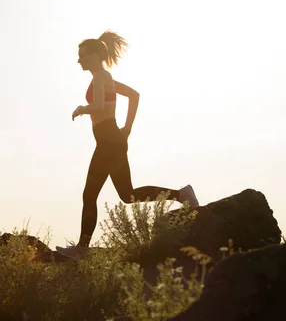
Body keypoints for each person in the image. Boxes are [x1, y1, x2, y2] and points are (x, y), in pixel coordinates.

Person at [55, 30, 200, 260]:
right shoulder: (104, 77)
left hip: (108, 142)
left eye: (82, 55)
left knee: (89, 194)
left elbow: (101, 105)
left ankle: (81, 249)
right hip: (112, 140)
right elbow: (134, 95)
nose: (78, 60)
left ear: (93, 55)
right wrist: (127, 128)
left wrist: (82, 109)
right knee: (127, 195)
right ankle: (181, 194)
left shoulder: (101, 77)